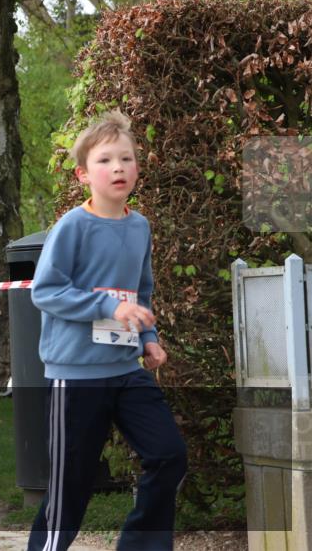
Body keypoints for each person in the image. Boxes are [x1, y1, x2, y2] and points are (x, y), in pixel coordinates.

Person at [26, 111, 187, 551]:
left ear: (137, 168)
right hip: (75, 374)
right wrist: (109, 306)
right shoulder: (71, 227)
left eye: (126, 159)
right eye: (105, 161)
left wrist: (149, 340)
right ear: (83, 174)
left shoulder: (139, 227)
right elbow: (47, 291)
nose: (118, 168)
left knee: (169, 455)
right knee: (71, 488)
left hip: (126, 369)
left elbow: (142, 292)